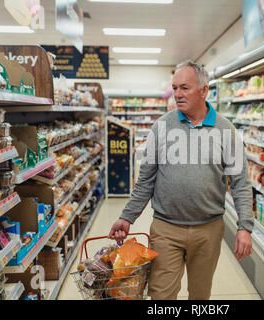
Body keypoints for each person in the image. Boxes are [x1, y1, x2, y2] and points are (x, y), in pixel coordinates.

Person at [109, 60, 254, 300]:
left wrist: (244, 227)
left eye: (184, 88)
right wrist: (127, 216)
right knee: (160, 295)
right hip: (166, 228)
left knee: (200, 294)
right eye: (174, 88)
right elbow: (146, 180)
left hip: (209, 229)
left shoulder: (225, 130)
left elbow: (240, 182)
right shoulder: (162, 126)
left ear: (204, 90)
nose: (177, 94)